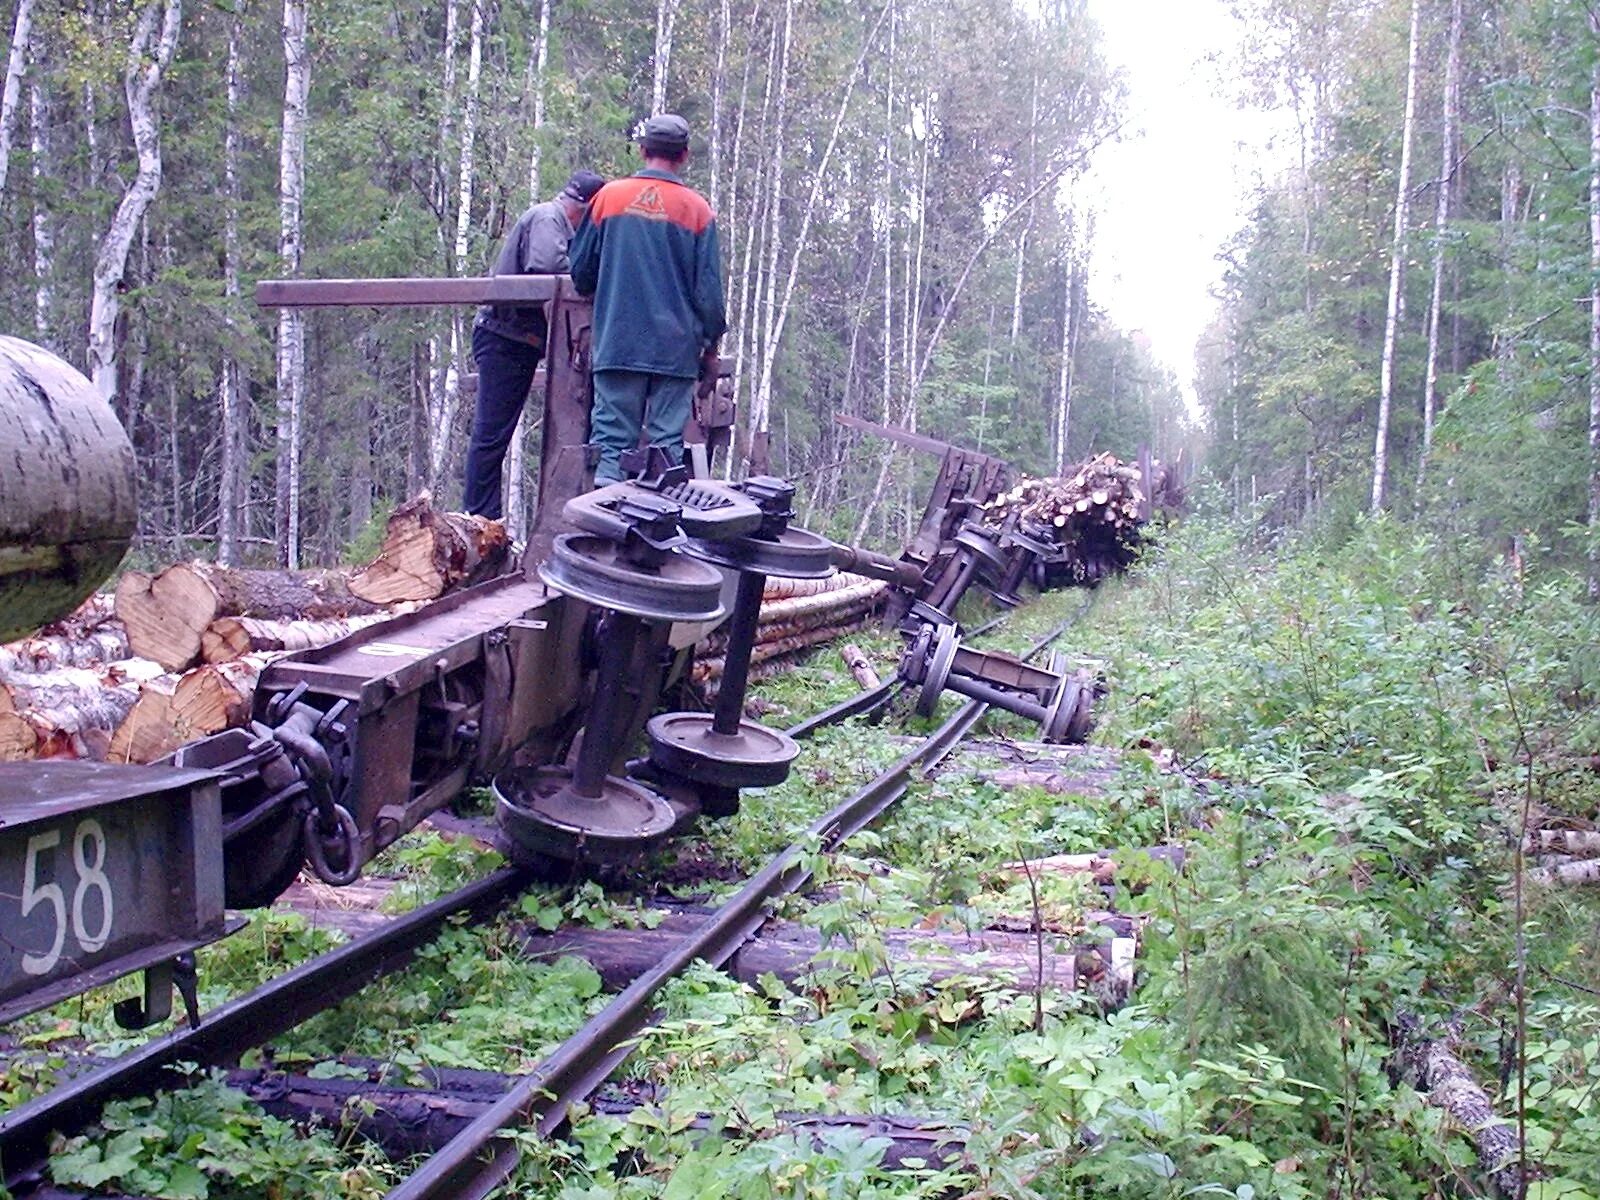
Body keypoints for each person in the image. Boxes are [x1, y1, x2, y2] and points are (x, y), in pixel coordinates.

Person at [568, 114, 726, 484]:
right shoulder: (698, 211)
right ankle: (656, 533)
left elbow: (581, 272)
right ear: (684, 155)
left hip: (618, 341)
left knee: (609, 444)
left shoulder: (609, 198)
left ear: (642, 151)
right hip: (675, 351)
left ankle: (606, 530)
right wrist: (710, 347)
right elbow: (709, 293)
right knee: (666, 448)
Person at [462, 168, 606, 519]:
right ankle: (480, 516)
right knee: (492, 432)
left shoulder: (555, 221)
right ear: (585, 209)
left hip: (520, 340)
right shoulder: (548, 218)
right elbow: (546, 266)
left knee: (498, 432)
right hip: (504, 337)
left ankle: (486, 516)